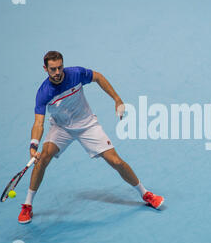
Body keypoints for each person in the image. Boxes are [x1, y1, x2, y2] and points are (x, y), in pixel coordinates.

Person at [18, 51, 164, 224]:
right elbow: (38, 124)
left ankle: (145, 194)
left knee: (116, 161)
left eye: (60, 67)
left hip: (87, 125)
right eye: (53, 69)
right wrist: (33, 146)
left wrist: (117, 99)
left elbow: (99, 77)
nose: (57, 72)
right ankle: (27, 205)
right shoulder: (44, 93)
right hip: (61, 127)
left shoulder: (76, 74)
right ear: (45, 69)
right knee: (42, 159)